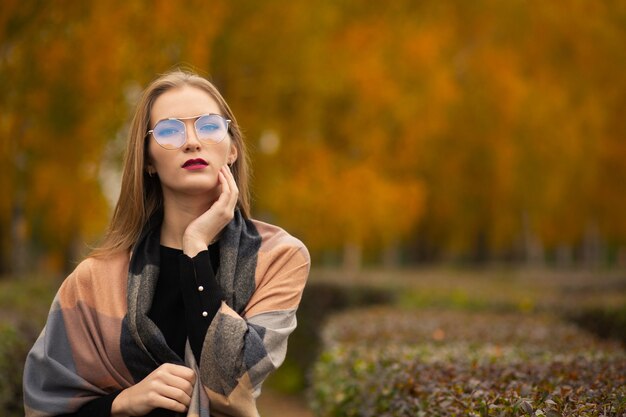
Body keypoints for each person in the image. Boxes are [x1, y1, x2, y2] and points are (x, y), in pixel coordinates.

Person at [23, 69, 310, 417]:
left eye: (208, 126)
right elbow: (44, 403)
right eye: (170, 131)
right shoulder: (93, 280)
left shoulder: (278, 257)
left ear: (232, 149)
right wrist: (121, 403)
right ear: (147, 161)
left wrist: (195, 247)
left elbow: (233, 383)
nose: (191, 141)